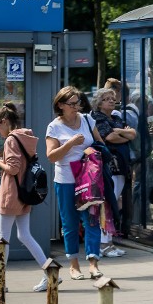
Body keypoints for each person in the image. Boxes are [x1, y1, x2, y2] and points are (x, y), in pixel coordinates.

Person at [0, 103, 62, 293]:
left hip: (11, 193)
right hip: (24, 193)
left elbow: (13, 168)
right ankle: (50, 272)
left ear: (5, 122)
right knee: (23, 234)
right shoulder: (26, 137)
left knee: (2, 238)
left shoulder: (11, 139)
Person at [46, 86, 104, 280]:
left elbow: (100, 145)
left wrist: (93, 152)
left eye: (78, 102)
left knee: (92, 220)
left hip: (89, 180)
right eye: (71, 104)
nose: (76, 107)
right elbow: (51, 157)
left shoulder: (87, 120)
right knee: (70, 223)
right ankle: (74, 265)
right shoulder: (54, 126)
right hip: (66, 181)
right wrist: (70, 143)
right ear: (61, 105)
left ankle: (93, 263)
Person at [91, 88, 136, 256]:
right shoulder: (97, 117)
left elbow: (133, 133)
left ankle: (109, 242)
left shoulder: (116, 118)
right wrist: (123, 134)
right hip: (109, 166)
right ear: (99, 103)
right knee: (107, 203)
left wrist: (120, 132)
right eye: (106, 99)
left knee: (114, 201)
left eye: (112, 98)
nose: (111, 101)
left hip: (122, 166)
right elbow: (109, 138)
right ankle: (103, 244)